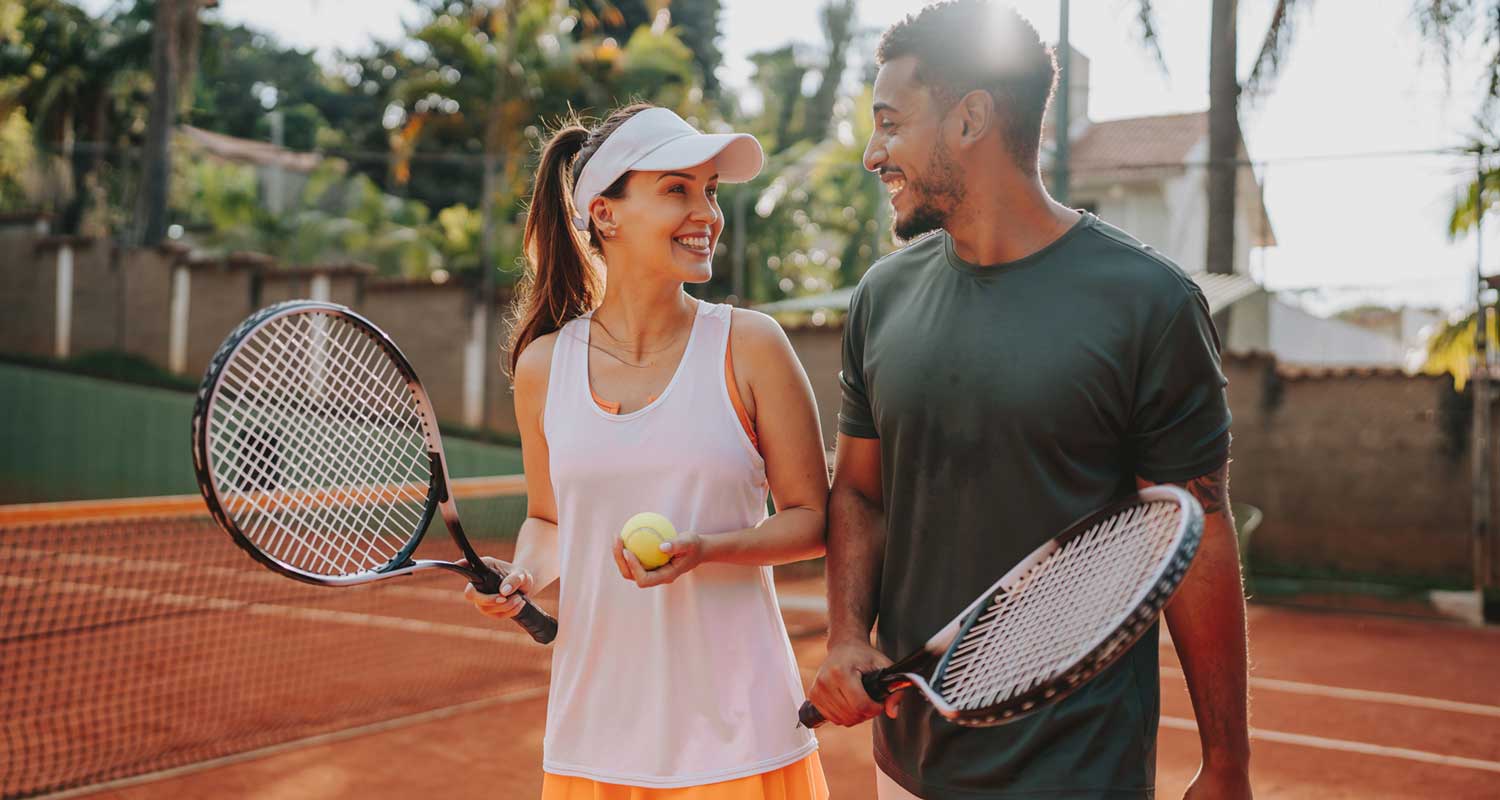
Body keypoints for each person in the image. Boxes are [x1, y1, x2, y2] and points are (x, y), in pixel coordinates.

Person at [806, 2, 1253, 798]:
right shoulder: (882, 296)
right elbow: (862, 492)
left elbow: (1195, 531)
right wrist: (846, 634)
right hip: (906, 768)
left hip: (1079, 771)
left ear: (971, 117)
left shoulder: (1150, 302)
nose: (874, 153)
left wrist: (1226, 762)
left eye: (891, 122)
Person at [464, 103, 832, 800]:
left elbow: (812, 520)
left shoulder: (752, 346)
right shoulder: (544, 367)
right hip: (593, 737)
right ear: (606, 214)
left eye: (710, 191)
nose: (707, 213)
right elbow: (548, 521)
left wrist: (707, 547)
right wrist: (525, 575)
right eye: (676, 190)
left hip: (740, 737)